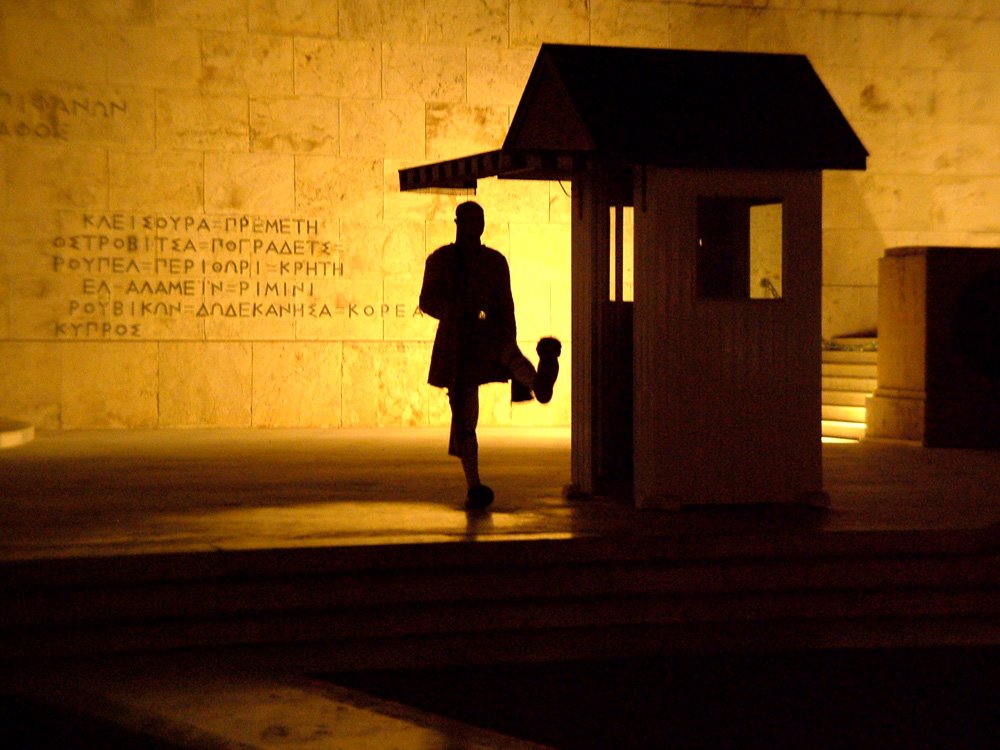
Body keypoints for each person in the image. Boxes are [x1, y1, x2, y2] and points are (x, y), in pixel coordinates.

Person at [419, 201, 560, 510]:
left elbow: (506, 306)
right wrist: (459, 310)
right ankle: (474, 485)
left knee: (504, 368)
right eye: (471, 220)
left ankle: (540, 385)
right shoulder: (444, 260)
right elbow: (427, 300)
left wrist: (506, 334)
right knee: (466, 416)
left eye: (479, 220)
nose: (476, 226)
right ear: (457, 222)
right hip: (461, 341)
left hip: (483, 337)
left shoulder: (492, 261)